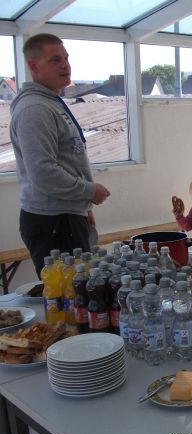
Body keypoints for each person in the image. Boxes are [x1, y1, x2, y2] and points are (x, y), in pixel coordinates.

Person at [10, 33, 111, 277]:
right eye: (55, 60)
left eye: (66, 58)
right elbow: (44, 173)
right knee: (66, 299)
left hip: (66, 216)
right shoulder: (35, 109)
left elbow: (67, 159)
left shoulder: (49, 102)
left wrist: (83, 207)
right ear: (34, 66)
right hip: (53, 222)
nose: (65, 65)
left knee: (80, 295)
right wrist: (89, 191)